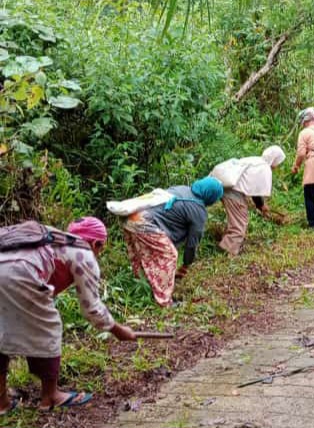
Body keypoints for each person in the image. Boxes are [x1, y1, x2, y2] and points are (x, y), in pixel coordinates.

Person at [0, 217, 136, 412]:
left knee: (2, 328)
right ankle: (51, 396)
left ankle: (1, 401)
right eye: (101, 248)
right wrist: (118, 330)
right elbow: (92, 308)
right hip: (21, 271)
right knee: (49, 328)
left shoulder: (53, 239)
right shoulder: (84, 253)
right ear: (96, 243)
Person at [121, 177, 224, 306]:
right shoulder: (198, 211)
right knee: (169, 256)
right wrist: (186, 264)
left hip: (130, 217)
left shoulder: (182, 189)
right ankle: (164, 301)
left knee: (140, 255)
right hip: (145, 224)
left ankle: (141, 287)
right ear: (211, 197)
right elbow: (192, 245)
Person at [215, 146, 286, 256]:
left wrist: (260, 205)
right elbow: (256, 192)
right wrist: (262, 206)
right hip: (233, 192)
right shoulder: (264, 168)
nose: (277, 166)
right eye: (278, 162)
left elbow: (252, 187)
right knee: (240, 222)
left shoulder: (255, 160)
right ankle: (227, 251)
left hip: (225, 187)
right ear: (274, 159)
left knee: (236, 219)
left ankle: (225, 243)